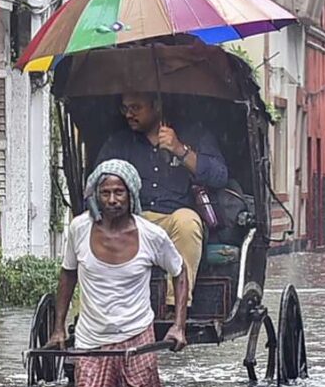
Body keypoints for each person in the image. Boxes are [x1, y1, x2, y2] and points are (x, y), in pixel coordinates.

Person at [46, 159, 188, 387]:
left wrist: (179, 326)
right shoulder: (79, 229)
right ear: (97, 196)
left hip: (137, 338)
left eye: (119, 192)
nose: (112, 200)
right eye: (105, 193)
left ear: (131, 194)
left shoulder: (152, 235)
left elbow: (179, 272)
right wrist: (58, 328)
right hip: (91, 340)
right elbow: (68, 274)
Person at [95, 93, 228, 312]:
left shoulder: (194, 134)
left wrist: (179, 150)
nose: (129, 114)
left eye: (136, 107)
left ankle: (176, 308)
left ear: (156, 105)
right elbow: (98, 181)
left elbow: (219, 176)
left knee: (187, 221)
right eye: (125, 108)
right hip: (134, 220)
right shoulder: (119, 143)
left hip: (176, 221)